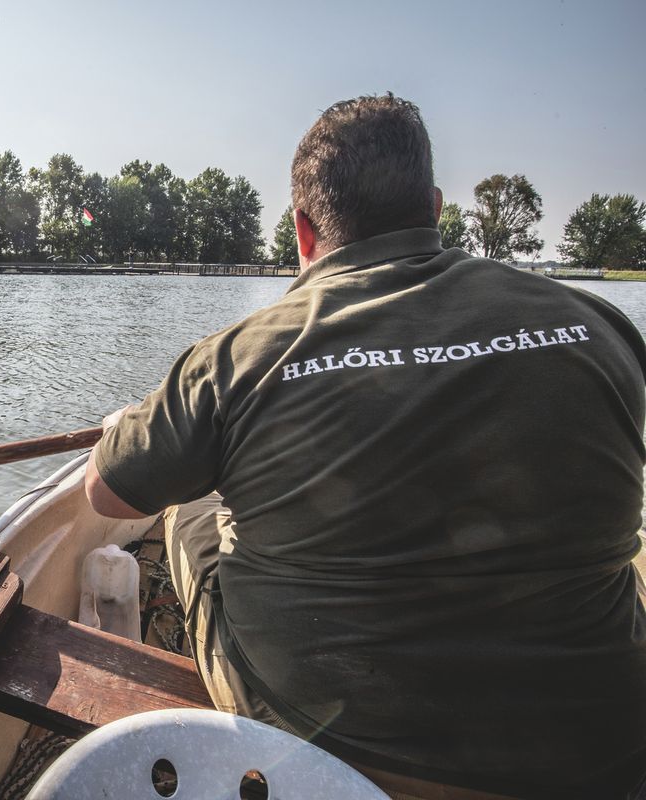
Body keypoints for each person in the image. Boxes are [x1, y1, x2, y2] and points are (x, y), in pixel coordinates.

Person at [84, 94, 646, 799]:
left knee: (189, 503)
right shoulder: (597, 324)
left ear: (303, 231)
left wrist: (124, 431)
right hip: (602, 751)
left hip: (342, 759)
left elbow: (106, 494)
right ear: (435, 207)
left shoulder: (234, 358)